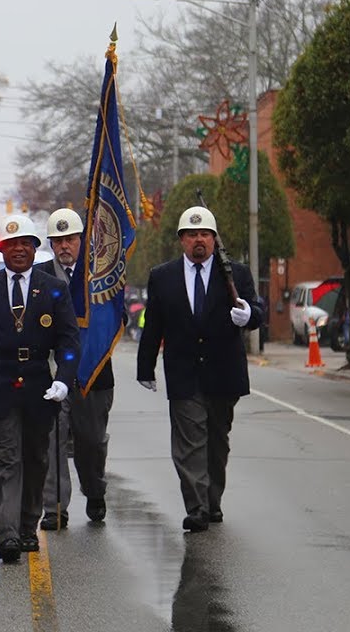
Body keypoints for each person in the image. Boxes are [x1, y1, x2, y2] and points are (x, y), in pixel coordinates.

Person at [0, 213, 80, 562]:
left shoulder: (54, 287)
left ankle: (27, 527)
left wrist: (63, 380)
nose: (19, 250)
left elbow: (69, 339)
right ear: (1, 249)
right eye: (12, 245)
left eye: (26, 243)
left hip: (40, 382)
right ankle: (7, 534)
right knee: (7, 458)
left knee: (36, 459)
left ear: (36, 248)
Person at [136, 206, 263, 533]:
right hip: (184, 373)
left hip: (224, 373)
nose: (198, 241)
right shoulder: (163, 276)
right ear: (181, 240)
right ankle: (196, 508)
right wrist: (145, 367)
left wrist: (248, 314)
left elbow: (257, 311)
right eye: (191, 235)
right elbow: (154, 326)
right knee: (189, 444)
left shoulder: (235, 273)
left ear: (214, 239)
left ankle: (211, 501)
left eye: (204, 234)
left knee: (216, 443)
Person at [34, 208, 117, 532]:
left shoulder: (101, 277)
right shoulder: (39, 278)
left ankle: (95, 491)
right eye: (58, 241)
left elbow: (114, 317)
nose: (64, 246)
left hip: (93, 374)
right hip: (54, 374)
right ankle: (54, 507)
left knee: (91, 443)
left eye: (70, 239)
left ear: (82, 240)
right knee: (52, 440)